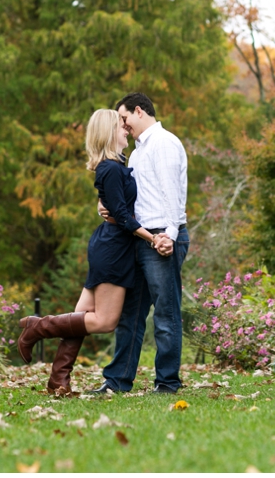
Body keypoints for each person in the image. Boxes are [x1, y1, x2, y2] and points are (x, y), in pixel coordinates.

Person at [16, 109, 168, 395]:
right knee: (105, 321)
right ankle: (39, 327)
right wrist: (152, 238)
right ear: (109, 132)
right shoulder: (110, 168)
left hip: (110, 244)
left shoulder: (113, 165)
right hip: (114, 248)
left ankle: (58, 379)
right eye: (121, 126)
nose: (126, 130)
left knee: (80, 315)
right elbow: (122, 216)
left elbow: (115, 204)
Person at [90, 92, 189, 395]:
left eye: (124, 118)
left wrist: (168, 236)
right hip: (139, 237)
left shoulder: (165, 144)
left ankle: (167, 383)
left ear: (139, 111)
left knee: (165, 313)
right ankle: (117, 381)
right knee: (130, 314)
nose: (122, 125)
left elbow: (173, 194)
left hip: (161, 237)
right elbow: (126, 196)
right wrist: (103, 206)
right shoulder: (135, 153)